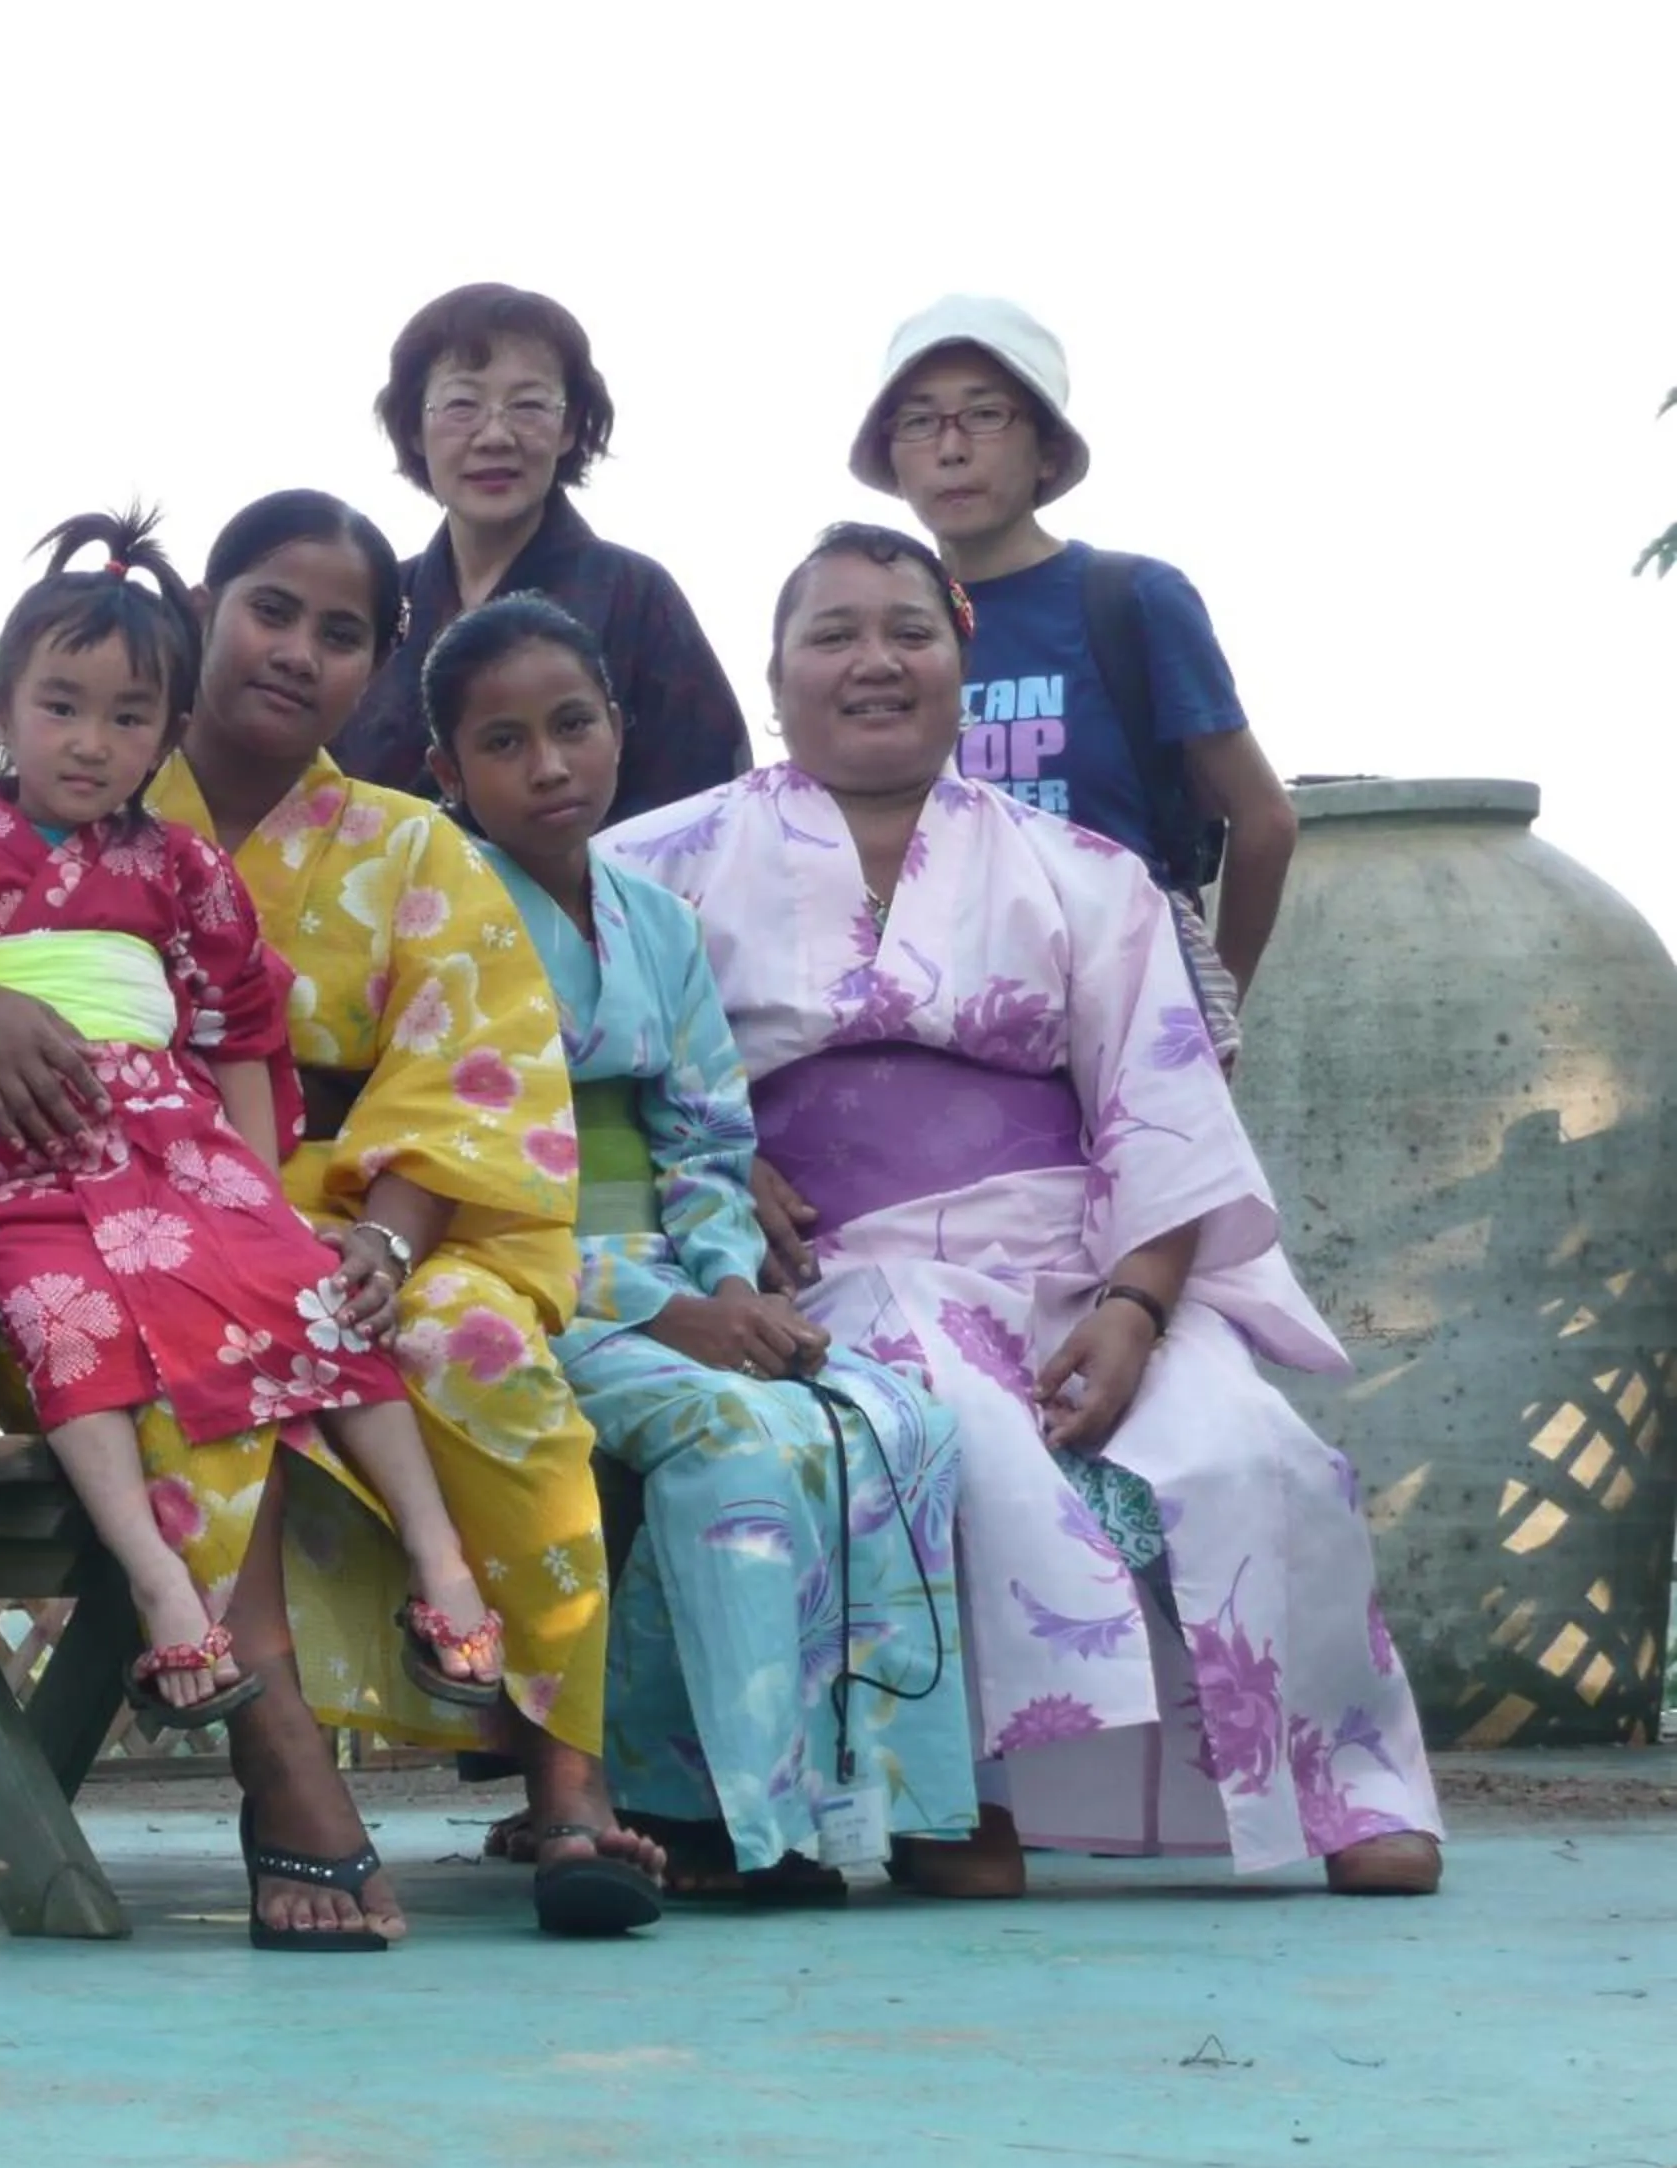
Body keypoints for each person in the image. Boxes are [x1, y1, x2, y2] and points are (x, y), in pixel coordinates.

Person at [602, 524, 1444, 1897]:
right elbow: (579, 1086)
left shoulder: (1087, 871)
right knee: (955, 1435)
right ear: (773, 675)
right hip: (825, 1272)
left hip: (1071, 1256)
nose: (873, 660)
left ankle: (1342, 1780)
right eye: (832, 633)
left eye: (908, 631)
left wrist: (1134, 1306)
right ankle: (950, 1797)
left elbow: (1162, 1108)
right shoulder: (651, 864)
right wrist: (709, 1148)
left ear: (959, 665)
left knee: (1249, 1450)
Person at [0, 492, 666, 1943]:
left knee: (481, 1356)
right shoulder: (29, 818)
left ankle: (565, 1772)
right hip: (91, 1211)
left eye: (344, 632)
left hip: (375, 1222)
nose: (299, 651)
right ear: (205, 608)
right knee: (183, 1366)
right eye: (271, 609)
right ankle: (287, 1775)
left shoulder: (414, 847)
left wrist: (383, 1238)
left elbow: (475, 1063)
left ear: (381, 664)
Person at [0, 511, 505, 1731]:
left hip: (180, 1154)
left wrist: (258, 1187)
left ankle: (442, 1564)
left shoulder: (183, 872)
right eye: (61, 707)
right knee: (66, 1326)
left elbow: (239, 1028)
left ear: (168, 729)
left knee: (311, 1290)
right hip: (18, 1170)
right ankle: (164, 1592)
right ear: (0, 709)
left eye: (128, 717)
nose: (92, 744)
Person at [420, 592, 977, 1901]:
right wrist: (665, 1314)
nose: (549, 765)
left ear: (618, 726)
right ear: (444, 770)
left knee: (889, 1417)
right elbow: (456, 1161)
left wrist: (728, 1285)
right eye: (503, 744)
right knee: (733, 1433)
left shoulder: (653, 920)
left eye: (573, 726)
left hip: (674, 1281)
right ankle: (718, 1812)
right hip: (509, 1281)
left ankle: (869, 1802)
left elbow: (708, 1135)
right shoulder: (434, 912)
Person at [848, 295, 1299, 1057]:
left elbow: (1265, 820)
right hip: (946, 1022)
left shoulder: (1133, 600)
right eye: (919, 422)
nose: (950, 449)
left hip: (1124, 1009)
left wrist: (1210, 1006)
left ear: (1047, 452)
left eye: (984, 415)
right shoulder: (876, 629)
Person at [329, 284, 746, 822]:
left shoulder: (634, 594)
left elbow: (705, 809)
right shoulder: (381, 601)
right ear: (414, 426)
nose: (495, 435)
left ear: (570, 427)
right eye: (462, 405)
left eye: (528, 406)